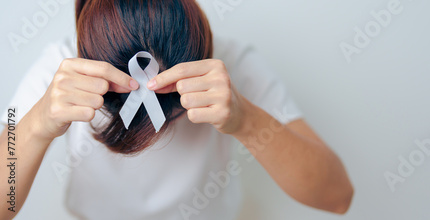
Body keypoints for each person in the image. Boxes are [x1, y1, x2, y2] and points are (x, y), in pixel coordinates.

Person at [0, 0, 353, 219]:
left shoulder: (235, 64)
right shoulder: (59, 68)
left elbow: (337, 197)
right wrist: (35, 125)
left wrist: (246, 119)